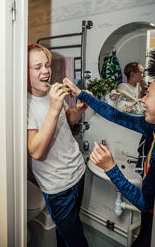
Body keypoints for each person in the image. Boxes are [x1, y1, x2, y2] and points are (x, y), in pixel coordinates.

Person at [63, 51, 155, 247]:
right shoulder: (150, 127)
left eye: (149, 94)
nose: (143, 100)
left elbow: (144, 202)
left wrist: (111, 168)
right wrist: (81, 95)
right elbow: (115, 115)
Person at [27, 44, 89, 247]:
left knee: (66, 237)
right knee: (77, 242)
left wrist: (78, 111)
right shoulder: (24, 105)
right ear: (24, 72)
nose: (45, 71)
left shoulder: (53, 91)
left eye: (47, 65)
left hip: (78, 172)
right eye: (37, 67)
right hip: (57, 186)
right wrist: (53, 108)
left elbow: (67, 119)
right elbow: (35, 151)